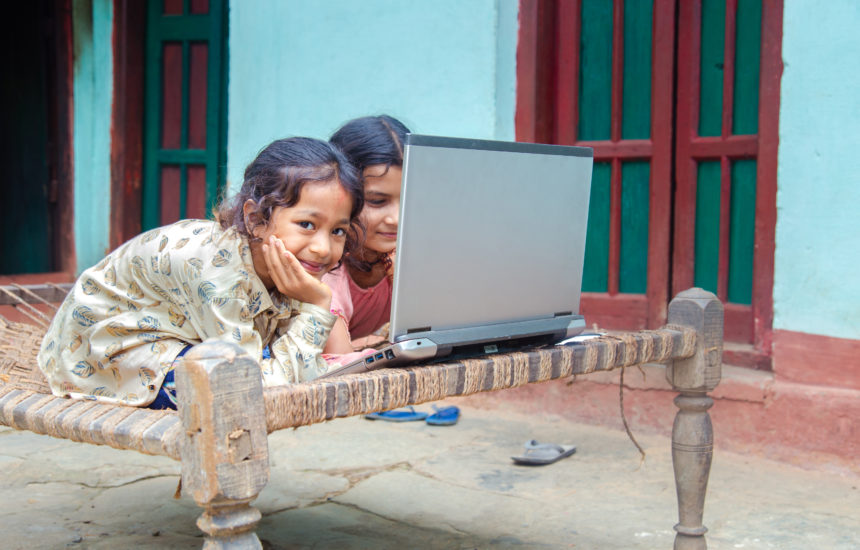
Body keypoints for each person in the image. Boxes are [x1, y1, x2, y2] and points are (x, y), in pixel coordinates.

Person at [37, 137, 363, 409]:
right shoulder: (221, 277)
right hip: (106, 347)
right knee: (216, 393)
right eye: (307, 224)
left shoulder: (279, 261)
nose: (323, 248)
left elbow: (298, 369)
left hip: (184, 334)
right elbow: (253, 389)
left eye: (338, 231)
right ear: (255, 220)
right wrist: (320, 303)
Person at [322, 115, 410, 355]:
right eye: (377, 201)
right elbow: (339, 368)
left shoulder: (411, 256)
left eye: (409, 199)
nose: (396, 218)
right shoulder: (324, 267)